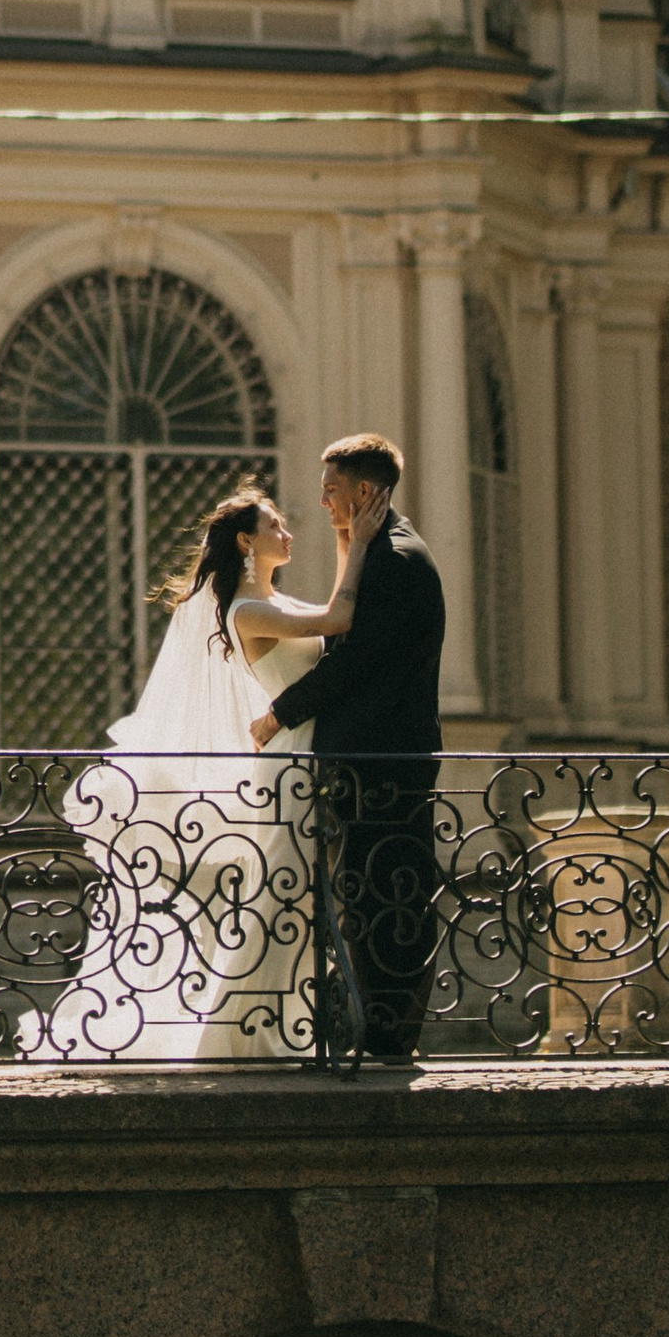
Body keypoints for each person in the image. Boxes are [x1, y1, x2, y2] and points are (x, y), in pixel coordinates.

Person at [22, 482, 375, 1064]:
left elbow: (332, 611)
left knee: (296, 901)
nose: (287, 534)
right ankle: (240, 1039)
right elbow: (341, 617)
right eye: (274, 527)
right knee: (280, 900)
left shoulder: (275, 603)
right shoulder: (248, 610)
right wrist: (354, 541)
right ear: (245, 541)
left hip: (300, 756)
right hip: (286, 764)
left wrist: (346, 541)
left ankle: (286, 1030)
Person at [256, 433, 446, 1063]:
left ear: (367, 491)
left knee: (385, 894)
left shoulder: (395, 561)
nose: (323, 499)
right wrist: (349, 545)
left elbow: (357, 661)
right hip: (372, 760)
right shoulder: (382, 550)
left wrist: (280, 714)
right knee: (366, 894)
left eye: (333, 488)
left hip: (382, 760)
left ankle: (388, 1036)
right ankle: (375, 1029)